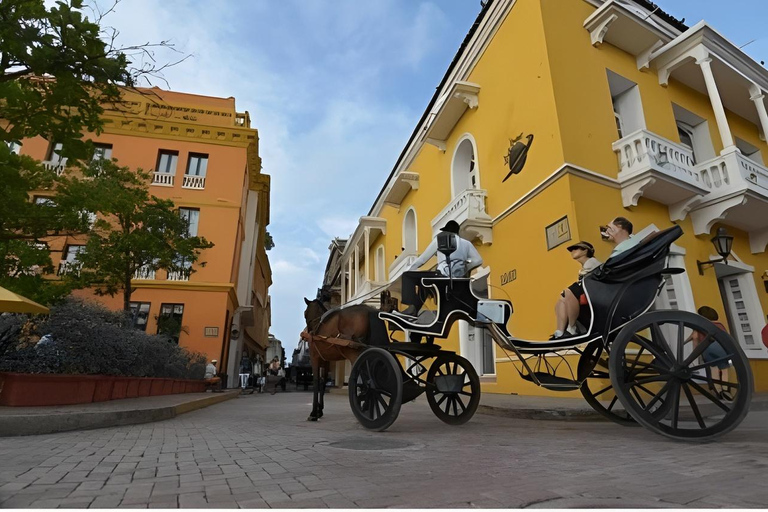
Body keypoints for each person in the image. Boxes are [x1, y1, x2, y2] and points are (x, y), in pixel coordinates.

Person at [399, 220, 483, 317]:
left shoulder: (440, 240)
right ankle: (414, 309)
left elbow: (422, 260)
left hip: (441, 276)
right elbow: (478, 260)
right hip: (458, 279)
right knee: (424, 283)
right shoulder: (466, 243)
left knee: (408, 276)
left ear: (446, 231)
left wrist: (407, 270)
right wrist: (465, 269)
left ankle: (411, 307)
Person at [551, 241, 601, 339]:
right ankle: (560, 332)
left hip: (595, 299)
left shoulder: (594, 264)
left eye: (576, 248)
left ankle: (572, 328)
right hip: (587, 297)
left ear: (585, 251)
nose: (572, 251)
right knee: (562, 299)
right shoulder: (585, 268)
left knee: (569, 291)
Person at [689, 306, 733, 401]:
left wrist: (696, 350)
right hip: (721, 347)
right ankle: (725, 390)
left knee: (714, 370)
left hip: (707, 348)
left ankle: (718, 391)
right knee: (724, 369)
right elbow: (726, 336)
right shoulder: (720, 325)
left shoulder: (701, 325)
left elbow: (695, 337)